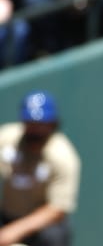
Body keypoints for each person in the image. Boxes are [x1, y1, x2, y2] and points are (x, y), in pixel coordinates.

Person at [0, 90, 81, 246]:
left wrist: (12, 232)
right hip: (7, 215)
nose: (35, 130)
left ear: (52, 125)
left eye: (40, 125)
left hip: (42, 226)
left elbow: (58, 209)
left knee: (54, 235)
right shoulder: (8, 138)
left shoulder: (63, 156)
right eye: (31, 124)